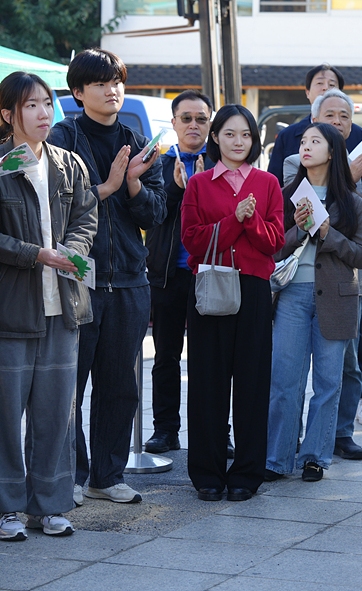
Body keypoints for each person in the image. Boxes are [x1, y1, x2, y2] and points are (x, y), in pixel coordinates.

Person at [48, 49, 167, 506]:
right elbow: (56, 207)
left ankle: (107, 475)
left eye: (116, 81)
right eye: (99, 83)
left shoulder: (138, 141)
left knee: (121, 386)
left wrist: (134, 182)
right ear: (78, 93)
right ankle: (72, 476)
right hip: (80, 280)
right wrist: (108, 187)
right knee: (69, 387)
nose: (111, 90)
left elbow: (156, 212)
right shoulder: (64, 138)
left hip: (131, 281)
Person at [0, 72, 98, 540]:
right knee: (4, 413)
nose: (43, 113)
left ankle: (52, 505)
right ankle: (6, 508)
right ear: (7, 115)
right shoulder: (1, 163)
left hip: (62, 305)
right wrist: (33, 253)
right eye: (31, 105)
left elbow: (86, 214)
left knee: (57, 412)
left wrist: (73, 248)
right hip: (11, 310)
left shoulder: (67, 163)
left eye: (46, 103)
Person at [180, 104, 284, 502]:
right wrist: (233, 221)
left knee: (253, 383)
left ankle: (246, 473)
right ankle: (206, 472)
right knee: (207, 381)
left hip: (255, 291)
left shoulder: (268, 183)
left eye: (245, 135)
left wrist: (250, 220)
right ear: (216, 138)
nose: (238, 142)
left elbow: (274, 242)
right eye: (229, 134)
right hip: (210, 288)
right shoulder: (199, 184)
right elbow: (192, 241)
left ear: (253, 140)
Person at [265, 123, 362, 483]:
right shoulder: (284, 194)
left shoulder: (351, 201)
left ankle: (316, 456)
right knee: (284, 380)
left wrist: (328, 234)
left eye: (315, 141)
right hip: (292, 295)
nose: (305, 146)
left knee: (328, 382)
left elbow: (361, 254)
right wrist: (295, 230)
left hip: (338, 297)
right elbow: (272, 247)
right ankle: (276, 458)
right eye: (304, 141)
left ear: (332, 151)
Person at [144, 89, 213, 455]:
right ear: (173, 123)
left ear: (210, 124)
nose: (193, 124)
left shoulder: (222, 162)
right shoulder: (157, 162)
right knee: (166, 357)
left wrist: (204, 189)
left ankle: (216, 431)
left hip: (211, 276)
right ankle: (165, 429)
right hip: (168, 273)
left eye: (201, 118)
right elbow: (149, 213)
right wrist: (176, 189)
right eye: (186, 118)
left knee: (211, 359)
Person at [267, 64, 362, 186]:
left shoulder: (359, 135)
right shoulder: (288, 136)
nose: (326, 88)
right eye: (320, 83)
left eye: (332, 85)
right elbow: (274, 184)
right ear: (307, 92)